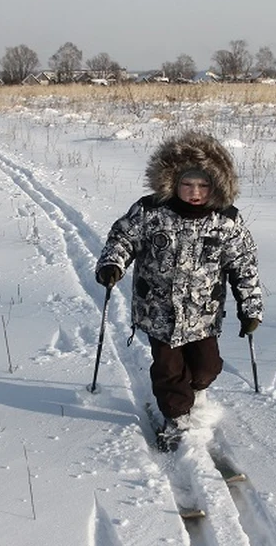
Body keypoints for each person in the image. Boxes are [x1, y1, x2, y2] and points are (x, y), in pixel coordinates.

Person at [95, 131, 263, 451]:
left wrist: (250, 307)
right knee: (169, 370)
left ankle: (196, 391)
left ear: (216, 186)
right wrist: (112, 264)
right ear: (172, 182)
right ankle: (175, 417)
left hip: (203, 313)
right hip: (158, 311)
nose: (195, 192)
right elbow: (122, 239)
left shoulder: (226, 221)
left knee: (207, 367)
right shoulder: (150, 211)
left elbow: (244, 265)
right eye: (187, 184)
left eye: (203, 185)